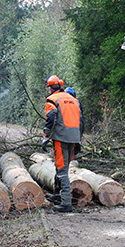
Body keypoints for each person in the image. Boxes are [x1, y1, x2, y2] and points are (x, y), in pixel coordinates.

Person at [42, 76, 83, 212]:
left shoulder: (52, 100)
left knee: (61, 170)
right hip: (74, 137)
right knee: (62, 167)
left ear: (49, 87)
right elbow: (81, 122)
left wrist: (46, 137)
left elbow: (51, 119)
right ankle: (57, 196)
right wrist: (79, 139)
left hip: (60, 138)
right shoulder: (74, 100)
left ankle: (66, 202)